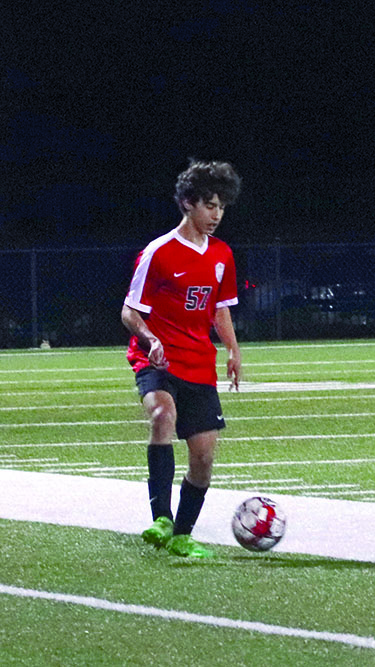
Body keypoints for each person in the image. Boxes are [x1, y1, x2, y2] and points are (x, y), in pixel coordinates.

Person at [121, 159, 242, 558]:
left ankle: (183, 535)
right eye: (210, 205)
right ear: (187, 203)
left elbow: (221, 308)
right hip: (156, 360)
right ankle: (161, 518)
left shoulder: (222, 254)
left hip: (198, 363)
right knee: (161, 416)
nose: (217, 214)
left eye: (221, 206)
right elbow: (129, 311)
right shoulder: (157, 252)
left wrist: (232, 349)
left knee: (204, 458)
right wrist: (150, 337)